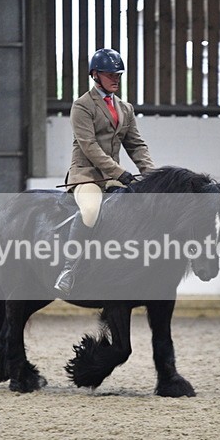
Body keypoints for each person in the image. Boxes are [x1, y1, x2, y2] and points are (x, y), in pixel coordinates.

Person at [54, 48, 156, 294]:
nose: (116, 79)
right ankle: (69, 269)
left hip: (113, 178)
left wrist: (152, 175)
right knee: (90, 211)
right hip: (87, 175)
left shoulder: (125, 108)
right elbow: (89, 147)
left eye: (118, 74)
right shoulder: (82, 106)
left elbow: (136, 145)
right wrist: (120, 172)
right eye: (110, 74)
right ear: (95, 75)